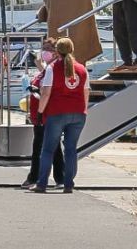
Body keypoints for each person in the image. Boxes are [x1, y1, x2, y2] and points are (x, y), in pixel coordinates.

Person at [31, 38, 89, 193]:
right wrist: (83, 110)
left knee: (48, 149)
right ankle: (68, 183)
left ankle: (42, 183)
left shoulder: (52, 68)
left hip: (57, 112)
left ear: (57, 51)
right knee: (71, 149)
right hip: (78, 113)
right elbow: (85, 92)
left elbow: (46, 93)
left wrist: (40, 112)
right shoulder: (82, 69)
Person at [23, 38, 64, 189]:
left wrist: (35, 91)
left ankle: (36, 178)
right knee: (51, 147)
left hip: (46, 114)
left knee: (41, 147)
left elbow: (48, 91)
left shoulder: (53, 68)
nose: (44, 51)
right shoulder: (47, 69)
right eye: (43, 48)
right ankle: (59, 177)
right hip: (40, 113)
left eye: (48, 49)